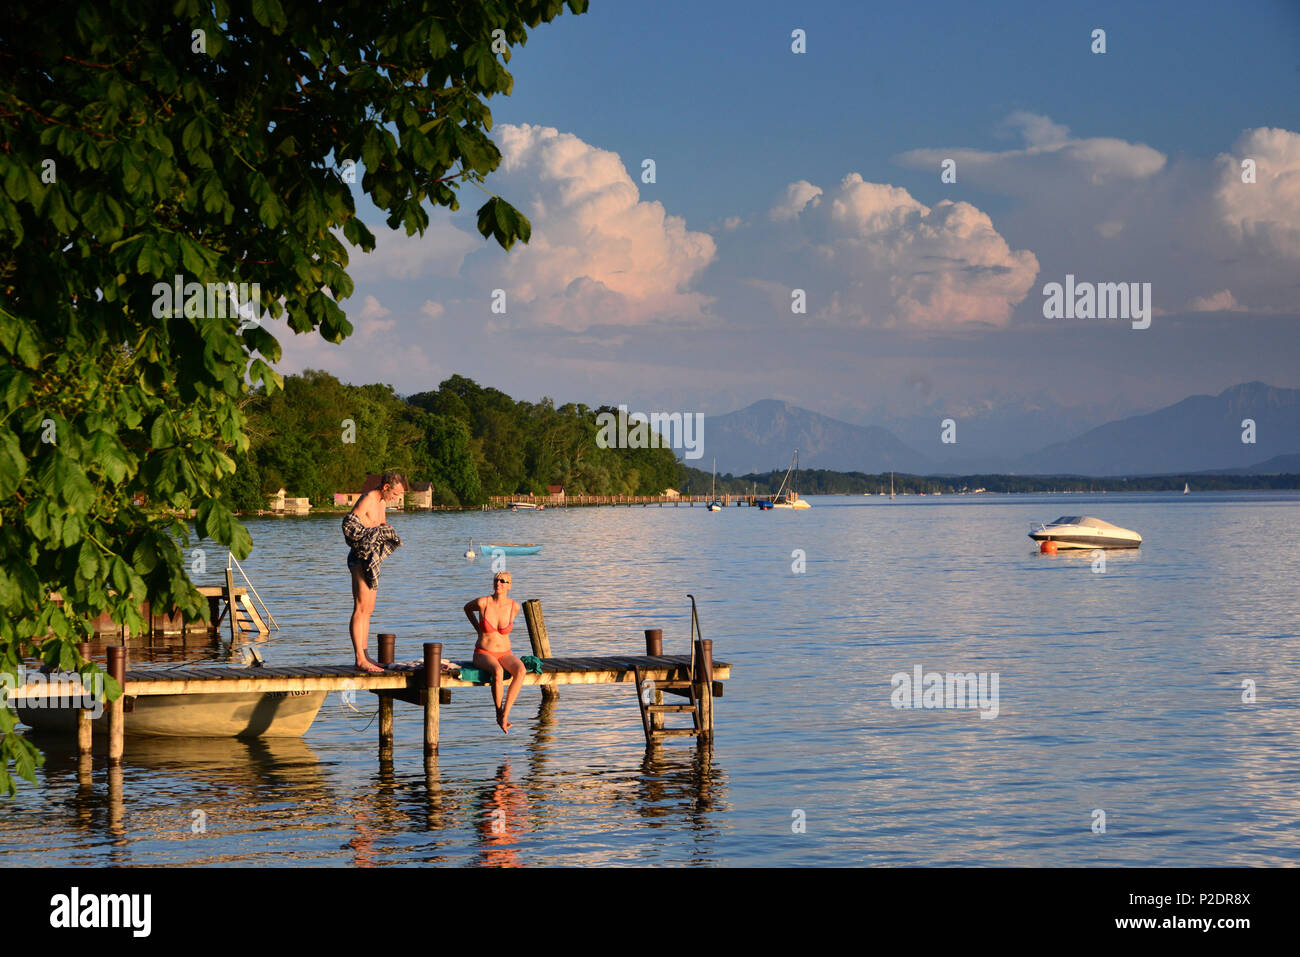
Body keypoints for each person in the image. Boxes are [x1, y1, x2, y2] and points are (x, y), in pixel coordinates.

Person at [343, 472, 406, 674]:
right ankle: (359, 659)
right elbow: (349, 525)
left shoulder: (382, 502)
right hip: (360, 558)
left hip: (372, 560)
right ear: (386, 487)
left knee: (369, 609)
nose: (396, 498)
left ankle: (365, 654)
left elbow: (380, 525)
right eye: (395, 493)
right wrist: (374, 531)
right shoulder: (369, 498)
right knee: (360, 608)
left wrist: (384, 530)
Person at [463, 571, 527, 732]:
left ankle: (505, 713)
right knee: (497, 671)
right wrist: (478, 628)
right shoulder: (483, 602)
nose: (498, 583)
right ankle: (498, 712)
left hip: (506, 653)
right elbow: (466, 608)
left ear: (509, 586)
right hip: (483, 653)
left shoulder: (514, 607)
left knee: (521, 670)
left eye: (503, 581)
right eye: (496, 580)